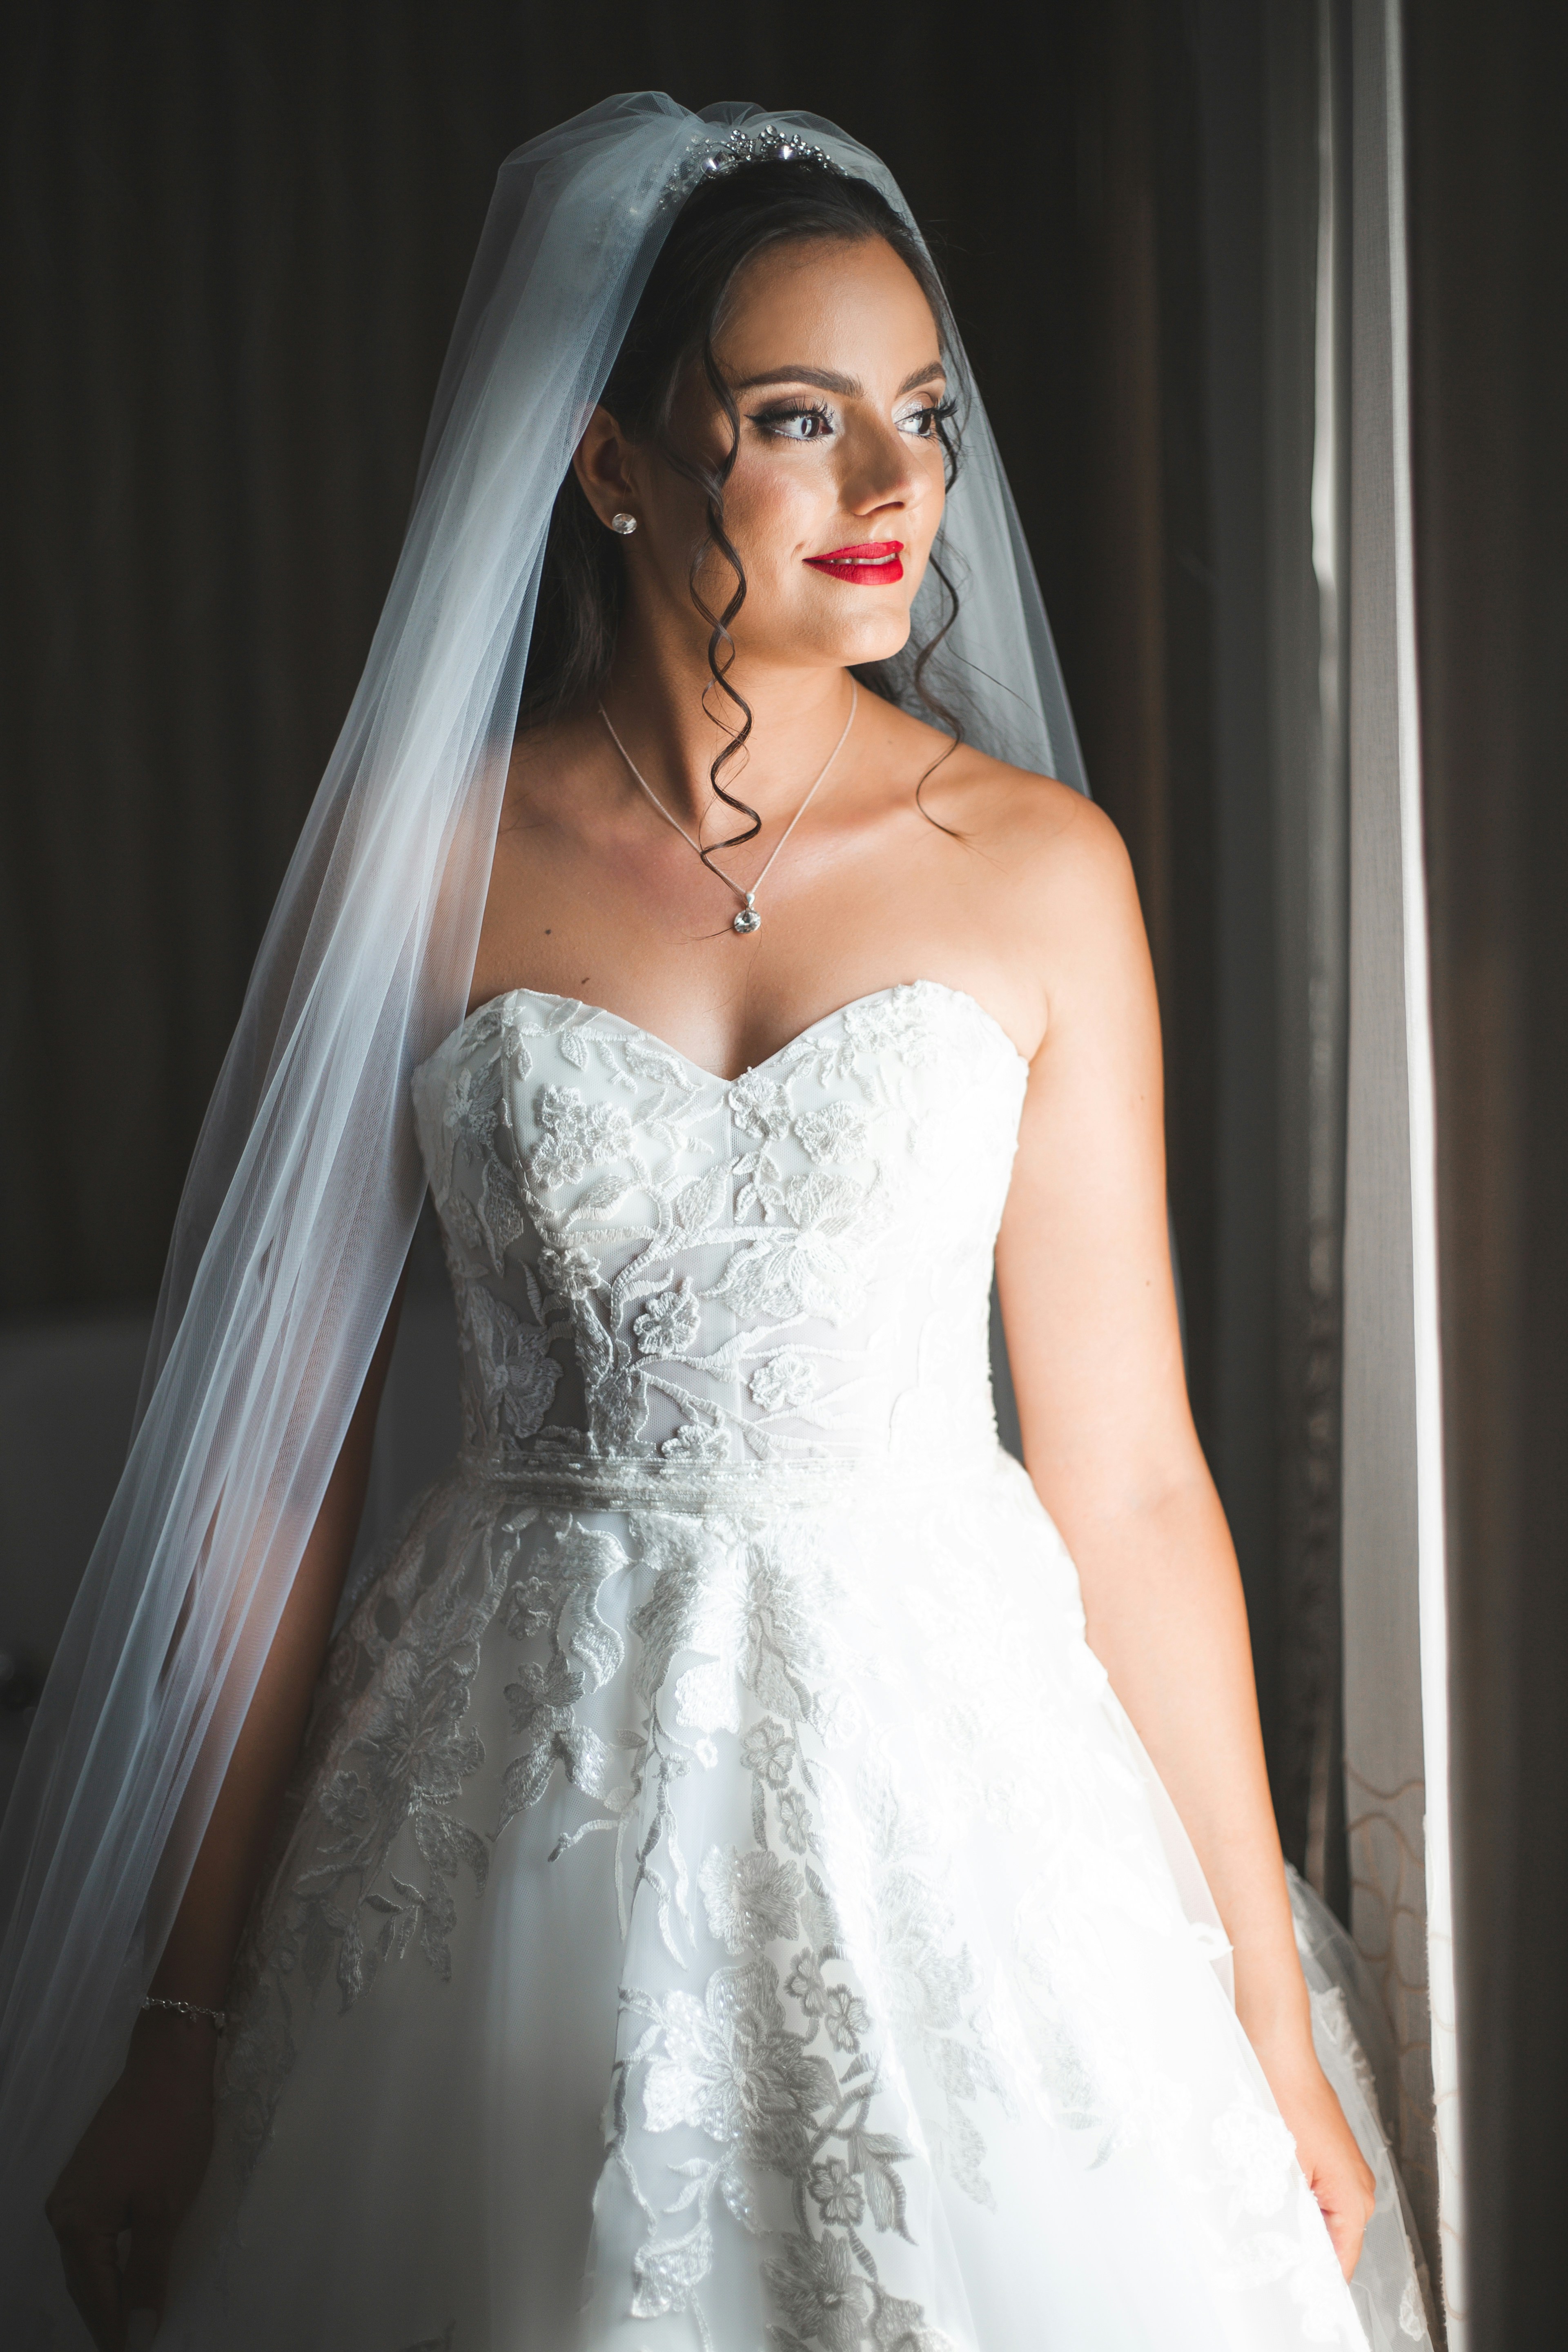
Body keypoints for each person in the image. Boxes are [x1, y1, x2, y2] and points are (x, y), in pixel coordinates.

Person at [5, 98, 1430, 2352]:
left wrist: (1257, 1995)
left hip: (950, 1799)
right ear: (607, 462)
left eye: (925, 421)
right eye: (800, 420)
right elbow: (268, 1492)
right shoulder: (428, 858)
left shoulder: (1040, 871)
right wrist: (184, 2015)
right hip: (509, 1805)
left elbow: (1134, 1476)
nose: (895, 495)